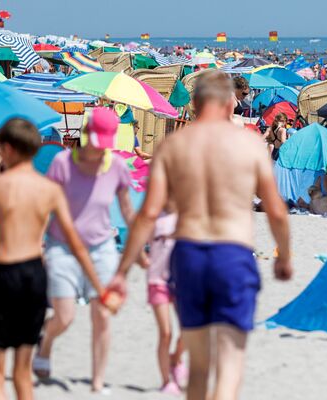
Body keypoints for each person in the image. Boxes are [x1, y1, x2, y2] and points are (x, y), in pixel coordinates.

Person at [106, 70, 293, 400]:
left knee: (199, 365)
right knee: (230, 362)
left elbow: (148, 214)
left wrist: (121, 273)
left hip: (188, 254)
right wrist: (285, 257)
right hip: (233, 254)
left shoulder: (174, 145)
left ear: (194, 103)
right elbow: (276, 210)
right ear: (229, 103)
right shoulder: (248, 144)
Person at [0, 119, 107, 400]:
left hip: (3, 275)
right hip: (35, 277)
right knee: (23, 373)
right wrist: (99, 287)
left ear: (8, 149)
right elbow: (75, 242)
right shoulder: (49, 189)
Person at [33, 108, 136, 393]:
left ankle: (97, 381)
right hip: (62, 247)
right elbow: (45, 206)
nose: (99, 150)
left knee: (102, 315)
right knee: (65, 316)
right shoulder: (63, 163)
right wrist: (38, 243)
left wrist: (140, 248)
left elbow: (128, 211)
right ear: (86, 133)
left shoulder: (117, 166)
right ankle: (46, 343)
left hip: (102, 248)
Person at [146, 205, 187, 395]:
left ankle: (175, 359)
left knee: (188, 330)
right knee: (165, 333)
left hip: (182, 280)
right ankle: (166, 381)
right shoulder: (153, 215)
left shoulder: (186, 214)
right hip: (157, 281)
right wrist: (142, 259)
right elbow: (137, 237)